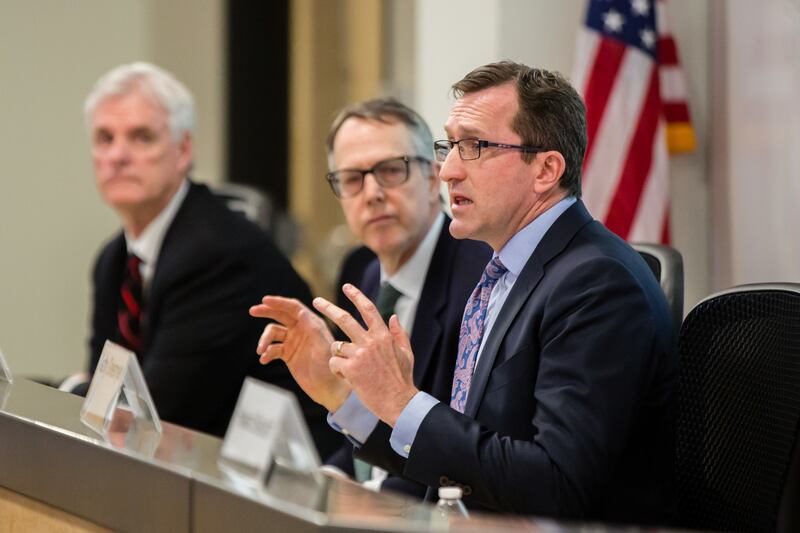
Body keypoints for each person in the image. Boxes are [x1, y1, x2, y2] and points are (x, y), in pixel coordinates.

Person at [253, 62, 677, 524]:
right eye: (450, 146)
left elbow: (557, 485)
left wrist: (403, 402)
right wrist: (343, 395)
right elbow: (462, 464)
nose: (449, 171)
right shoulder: (506, 271)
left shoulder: (597, 283)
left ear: (546, 169)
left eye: (475, 146)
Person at [79, 62, 335, 452]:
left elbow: (155, 415)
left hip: (289, 471)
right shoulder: (112, 260)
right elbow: (105, 392)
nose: (117, 155)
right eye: (104, 138)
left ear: (183, 150)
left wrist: (72, 394)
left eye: (141, 137)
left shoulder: (218, 253)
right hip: (189, 462)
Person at [252, 98, 490, 496]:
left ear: (434, 179)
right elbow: (367, 430)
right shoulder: (360, 269)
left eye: (391, 170)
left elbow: (453, 456)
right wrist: (331, 477)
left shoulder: (479, 281)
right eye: (352, 178)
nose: (372, 193)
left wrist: (363, 500)